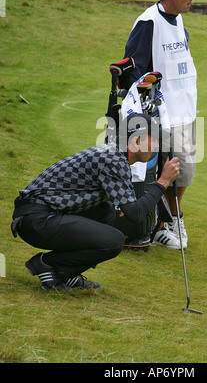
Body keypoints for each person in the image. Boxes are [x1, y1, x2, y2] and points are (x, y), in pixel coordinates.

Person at [11, 114, 180, 291]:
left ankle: (65, 273)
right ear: (137, 141)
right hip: (37, 220)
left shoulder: (114, 154)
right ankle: (49, 265)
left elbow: (128, 208)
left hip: (38, 215)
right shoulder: (114, 159)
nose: (156, 146)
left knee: (104, 211)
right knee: (114, 241)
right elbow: (135, 214)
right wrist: (163, 181)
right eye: (154, 140)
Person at [122, 0, 204, 250]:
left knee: (184, 172)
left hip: (186, 109)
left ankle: (170, 219)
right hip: (160, 111)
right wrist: (142, 108)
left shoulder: (179, 20)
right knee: (156, 170)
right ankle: (162, 224)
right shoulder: (148, 22)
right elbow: (133, 66)